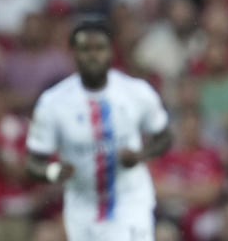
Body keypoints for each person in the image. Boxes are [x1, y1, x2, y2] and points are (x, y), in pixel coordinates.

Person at [25, 17, 173, 241]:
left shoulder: (136, 92)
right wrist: (53, 172)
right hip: (82, 206)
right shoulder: (53, 103)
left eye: (99, 48)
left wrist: (142, 155)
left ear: (111, 51)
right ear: (73, 52)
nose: (93, 55)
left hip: (130, 199)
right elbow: (33, 161)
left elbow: (165, 136)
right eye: (85, 48)